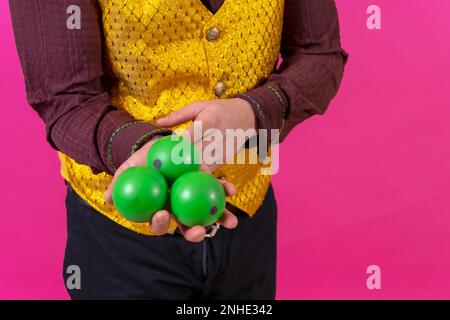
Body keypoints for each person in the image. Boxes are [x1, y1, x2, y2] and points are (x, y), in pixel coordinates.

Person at [10, 0, 347, 299]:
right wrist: (147, 150)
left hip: (246, 214)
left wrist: (251, 113)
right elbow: (66, 99)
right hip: (119, 238)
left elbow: (320, 53)